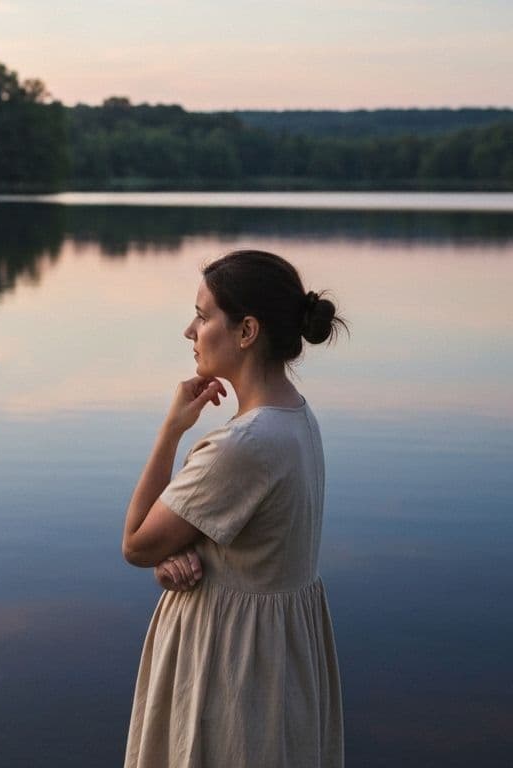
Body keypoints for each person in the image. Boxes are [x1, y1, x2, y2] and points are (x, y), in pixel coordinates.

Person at [120, 249, 346, 767]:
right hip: (276, 662)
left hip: (232, 669)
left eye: (202, 317)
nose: (189, 331)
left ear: (246, 331)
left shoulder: (242, 446)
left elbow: (135, 542)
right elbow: (241, 542)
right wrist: (182, 548)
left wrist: (172, 430)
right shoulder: (296, 419)